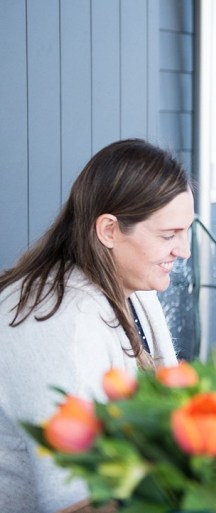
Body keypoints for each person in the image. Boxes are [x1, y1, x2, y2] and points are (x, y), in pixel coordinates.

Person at [0, 139, 195, 513]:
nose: (183, 250)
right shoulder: (60, 324)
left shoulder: (132, 285)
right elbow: (77, 501)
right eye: (169, 235)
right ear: (109, 230)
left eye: (185, 231)